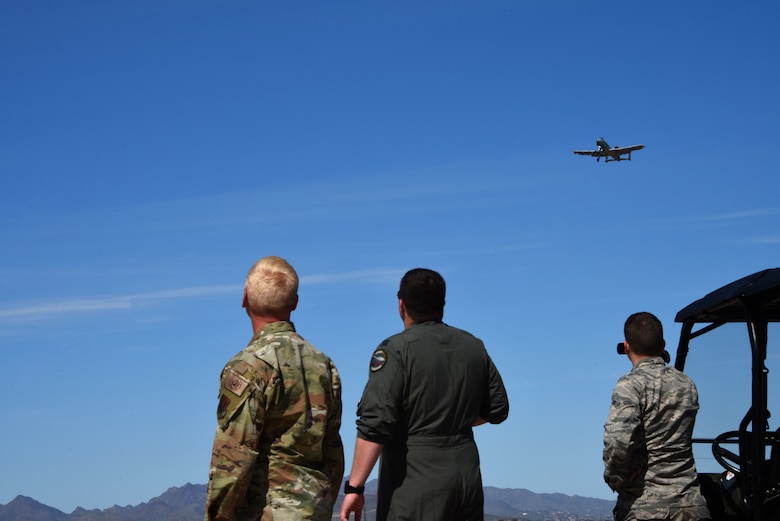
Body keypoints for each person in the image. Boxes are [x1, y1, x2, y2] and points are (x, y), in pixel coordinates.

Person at [340, 268, 510, 521]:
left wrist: (355, 487)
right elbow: (496, 409)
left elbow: (375, 425)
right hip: (466, 478)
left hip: (415, 480)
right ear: (442, 303)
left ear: (401, 304)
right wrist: (453, 418)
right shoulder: (473, 346)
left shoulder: (396, 350)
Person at [205, 256, 344, 521]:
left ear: (245, 298)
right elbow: (333, 449)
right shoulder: (323, 364)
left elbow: (233, 458)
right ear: (295, 303)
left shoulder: (248, 367)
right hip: (314, 511)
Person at [603, 312, 710, 521]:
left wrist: (617, 479)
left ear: (626, 346)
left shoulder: (630, 386)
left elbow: (617, 442)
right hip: (690, 505)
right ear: (663, 345)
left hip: (647, 507)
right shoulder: (686, 383)